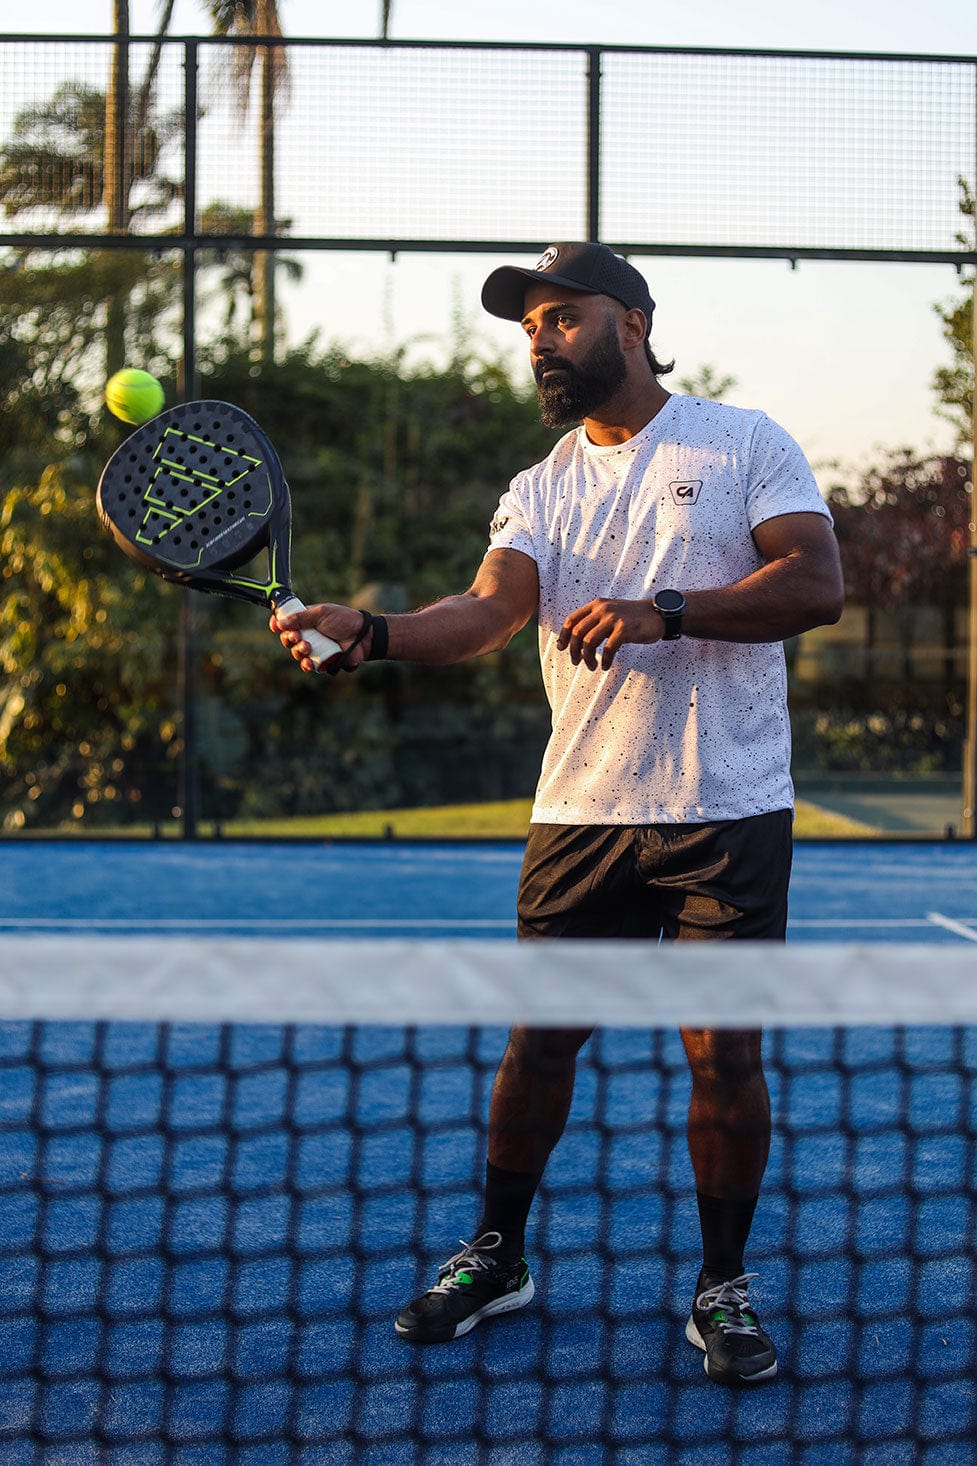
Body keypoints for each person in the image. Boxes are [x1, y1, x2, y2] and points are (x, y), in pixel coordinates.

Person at [272, 242, 845, 1386]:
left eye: (562, 317)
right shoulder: (540, 484)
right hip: (580, 811)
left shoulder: (742, 442)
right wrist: (373, 629)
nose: (539, 340)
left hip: (723, 810)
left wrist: (662, 608)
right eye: (528, 324)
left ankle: (719, 1282)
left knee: (721, 1055)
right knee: (536, 1046)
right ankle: (497, 1253)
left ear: (631, 322)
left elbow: (814, 584)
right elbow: (486, 609)